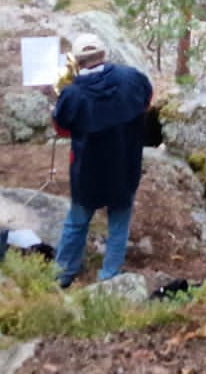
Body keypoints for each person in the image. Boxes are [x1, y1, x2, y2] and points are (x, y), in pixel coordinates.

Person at [49, 32, 154, 287]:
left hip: (88, 170)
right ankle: (109, 278)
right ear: (104, 54)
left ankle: (62, 274)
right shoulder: (133, 78)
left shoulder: (72, 95)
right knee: (118, 223)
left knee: (77, 222)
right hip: (125, 165)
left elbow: (61, 128)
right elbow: (147, 102)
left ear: (77, 61)